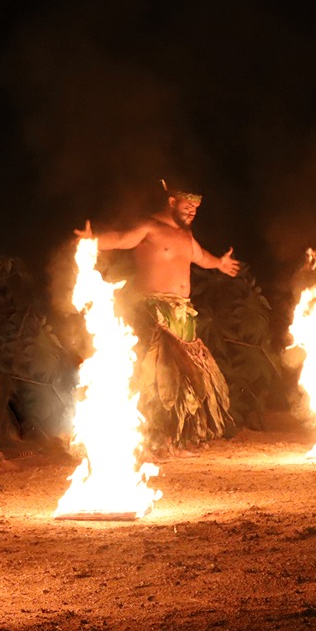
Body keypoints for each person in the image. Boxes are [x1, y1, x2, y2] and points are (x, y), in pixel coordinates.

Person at [77, 181, 241, 456]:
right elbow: (122, 239)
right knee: (154, 378)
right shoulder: (150, 227)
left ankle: (172, 441)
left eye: (196, 209)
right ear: (172, 202)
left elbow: (201, 257)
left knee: (180, 382)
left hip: (183, 314)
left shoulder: (186, 237)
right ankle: (146, 441)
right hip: (154, 312)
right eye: (188, 206)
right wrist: (93, 240)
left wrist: (220, 264)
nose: (192, 212)